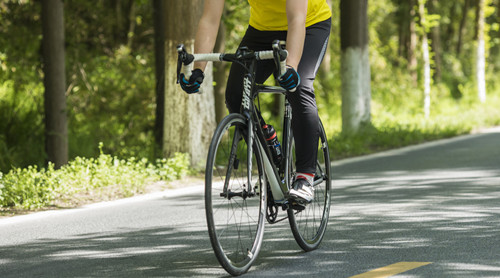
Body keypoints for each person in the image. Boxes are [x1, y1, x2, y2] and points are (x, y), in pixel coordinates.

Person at [179, 0, 331, 204]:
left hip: (309, 24)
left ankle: (305, 177)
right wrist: (198, 69)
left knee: (299, 87)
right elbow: (209, 20)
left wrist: (291, 67)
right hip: (262, 31)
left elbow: (297, 19)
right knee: (235, 96)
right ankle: (268, 147)